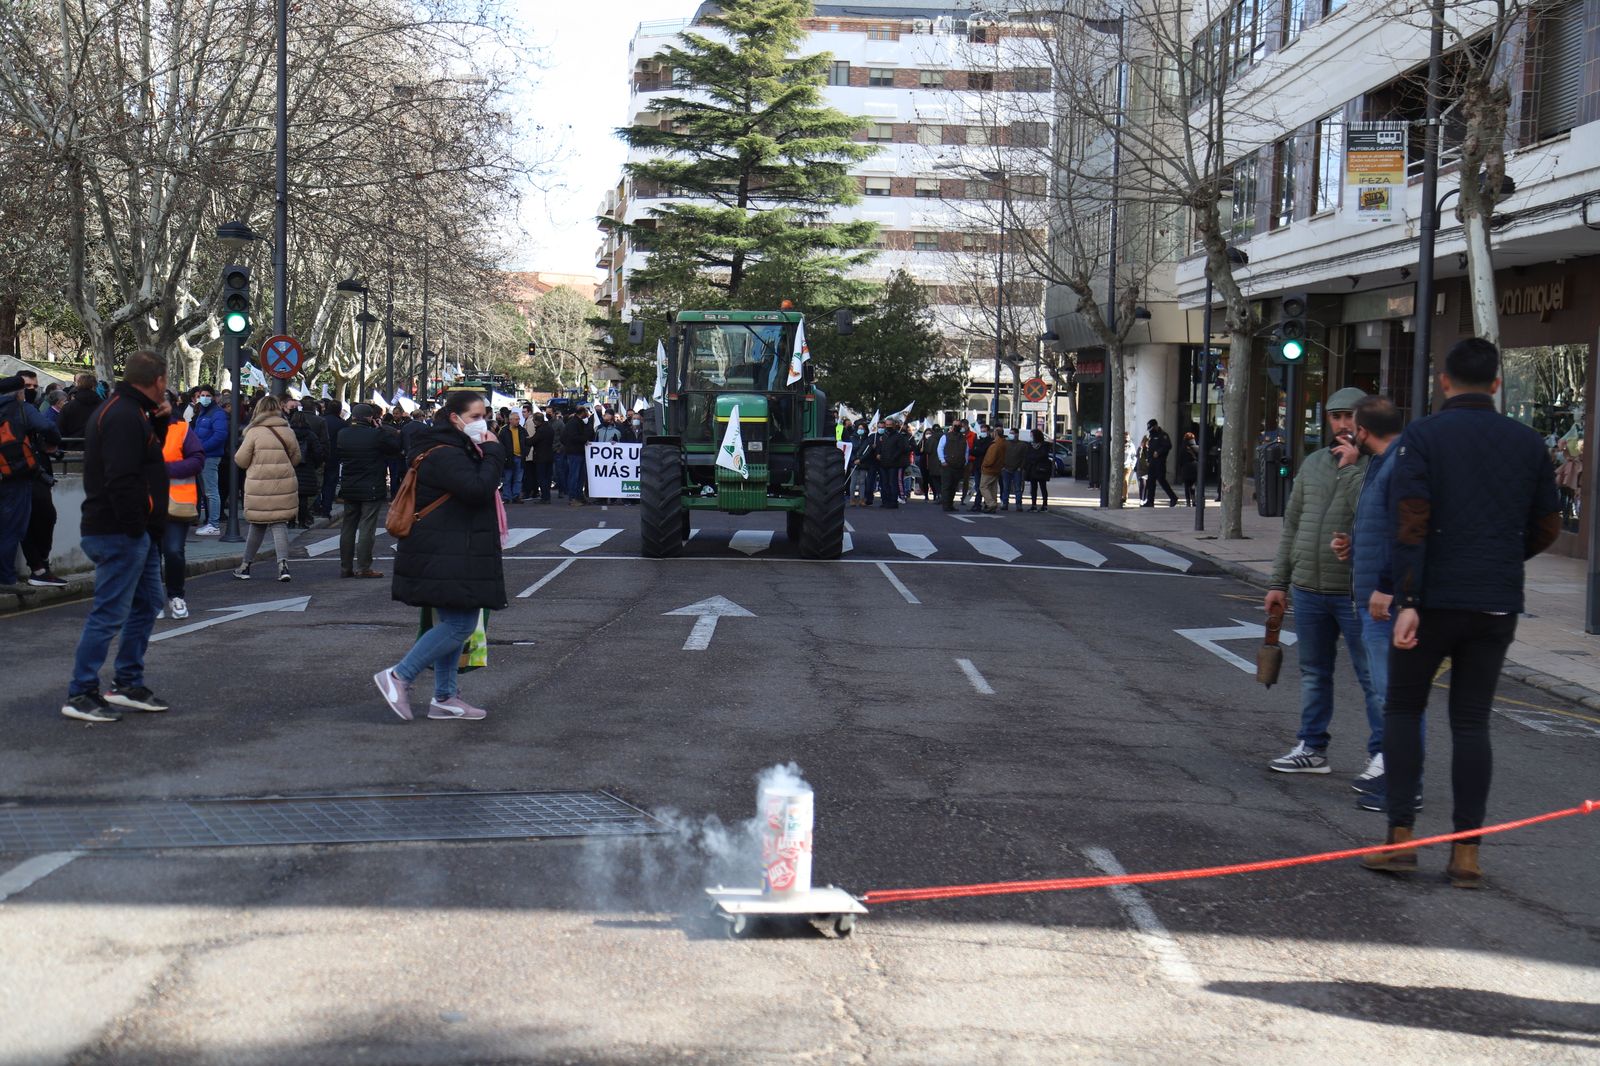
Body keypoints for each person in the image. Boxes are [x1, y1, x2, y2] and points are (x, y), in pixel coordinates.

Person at [1362, 340, 1561, 889]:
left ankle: (1401, 841)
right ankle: (1466, 855)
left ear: (1444, 383)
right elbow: (1547, 525)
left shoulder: (1423, 436)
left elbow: (1410, 522)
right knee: (1472, 722)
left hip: (1431, 602)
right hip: (1495, 602)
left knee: (1404, 710)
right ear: (1497, 385)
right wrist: (1499, 557)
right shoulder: (1528, 441)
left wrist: (1405, 600)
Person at [1265, 387, 1381, 775]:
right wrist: (1279, 582)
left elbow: (1372, 512)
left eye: (1351, 416)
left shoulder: (1378, 464)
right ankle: (1312, 747)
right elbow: (1292, 524)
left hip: (1354, 592)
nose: (1344, 424)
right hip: (1309, 588)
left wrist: (1351, 465)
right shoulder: (1313, 463)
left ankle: (1382, 754)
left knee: (1372, 677)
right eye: (1336, 417)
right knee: (1314, 672)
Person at [373, 390, 507, 722]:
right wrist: (493, 452)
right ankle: (399, 676)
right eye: (475, 417)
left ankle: (445, 697)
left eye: (484, 416)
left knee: (454, 621)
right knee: (460, 624)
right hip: (447, 551)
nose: (483, 423)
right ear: (454, 418)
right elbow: (478, 489)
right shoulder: (445, 454)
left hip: (452, 548)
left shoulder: (454, 449)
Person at [61, 351, 172, 722]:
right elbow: (122, 477)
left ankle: (127, 682)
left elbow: (145, 461)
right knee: (109, 613)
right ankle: (81, 692)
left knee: (146, 603)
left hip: (128, 531)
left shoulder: (132, 412)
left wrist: (161, 426)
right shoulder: (123, 415)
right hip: (118, 532)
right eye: (166, 380)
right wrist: (136, 528)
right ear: (157, 380)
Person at [1331, 395, 1410, 812]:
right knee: (1387, 692)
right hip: (1373, 592)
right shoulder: (1382, 463)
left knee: (1394, 694)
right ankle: (1390, 771)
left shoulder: (1399, 464)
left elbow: (1407, 532)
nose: (1347, 430)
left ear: (1363, 431)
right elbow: (1381, 526)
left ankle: (1400, 783)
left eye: (1352, 424)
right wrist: (1354, 546)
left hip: (1386, 600)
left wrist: (1389, 587)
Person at [232, 394, 301, 582]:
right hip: (283, 482)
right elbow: (296, 458)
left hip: (259, 483)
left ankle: (245, 566)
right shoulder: (287, 431)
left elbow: (241, 459)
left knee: (257, 524)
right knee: (279, 524)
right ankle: (283, 566)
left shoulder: (253, 432)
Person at [2, 372, 62, 587]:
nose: (32, 390)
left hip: (8, 473)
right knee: (16, 526)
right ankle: (11, 577)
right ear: (19, 392)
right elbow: (48, 428)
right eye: (28, 388)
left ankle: (36, 568)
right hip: (20, 475)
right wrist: (52, 444)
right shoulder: (22, 408)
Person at [334, 403, 400, 579]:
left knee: (348, 526)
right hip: (371, 484)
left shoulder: (343, 434)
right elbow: (395, 446)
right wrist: (381, 429)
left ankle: (345, 566)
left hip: (349, 484)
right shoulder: (376, 434)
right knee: (367, 527)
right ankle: (363, 567)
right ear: (370, 418)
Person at [156, 388, 204, 620]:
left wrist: (166, 470)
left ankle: (176, 596)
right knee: (148, 555)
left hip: (176, 503)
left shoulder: (182, 429)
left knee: (173, 552)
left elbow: (197, 460)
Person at [191, 384, 228, 535]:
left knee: (211, 491)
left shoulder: (216, 413)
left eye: (207, 395)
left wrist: (201, 448)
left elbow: (220, 435)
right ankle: (212, 523)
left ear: (212, 397)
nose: (204, 398)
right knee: (208, 491)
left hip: (210, 456)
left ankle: (213, 524)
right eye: (201, 395)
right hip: (203, 455)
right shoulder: (204, 412)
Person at [287, 403, 324, 529]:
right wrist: (314, 464)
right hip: (307, 467)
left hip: (291, 467)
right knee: (303, 497)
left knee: (291, 496)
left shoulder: (288, 433)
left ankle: (291, 521)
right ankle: (302, 521)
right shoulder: (310, 435)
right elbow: (318, 452)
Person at [317, 398, 347, 517]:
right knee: (330, 483)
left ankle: (317, 506)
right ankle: (326, 508)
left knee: (318, 482)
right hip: (334, 456)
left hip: (320, 455)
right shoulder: (342, 424)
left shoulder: (320, 420)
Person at [559, 407, 593, 505]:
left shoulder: (576, 422)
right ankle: (573, 497)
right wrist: (583, 440)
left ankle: (579, 496)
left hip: (578, 452)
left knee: (580, 476)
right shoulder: (574, 423)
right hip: (575, 453)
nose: (587, 414)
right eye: (586, 412)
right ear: (582, 413)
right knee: (574, 475)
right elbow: (571, 437)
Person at [55, 373, 102, 441]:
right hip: (96, 446)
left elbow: (60, 429)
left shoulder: (68, 407)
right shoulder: (103, 406)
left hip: (72, 446)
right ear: (94, 387)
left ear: (78, 386)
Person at [1142, 419, 1178, 507]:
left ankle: (1173, 497)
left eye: (1152, 428)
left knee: (1161, 480)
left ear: (1156, 426)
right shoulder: (1151, 435)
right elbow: (1149, 449)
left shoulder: (1163, 435)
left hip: (1159, 462)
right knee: (1151, 482)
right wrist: (1148, 460)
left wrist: (1159, 452)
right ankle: (1150, 501)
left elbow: (1168, 446)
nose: (1151, 430)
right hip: (1152, 462)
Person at [877, 418, 909, 509]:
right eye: (887, 425)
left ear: (894, 425)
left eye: (890, 425)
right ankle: (885, 501)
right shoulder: (883, 436)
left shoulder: (898, 437)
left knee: (892, 483)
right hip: (883, 463)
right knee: (884, 483)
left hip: (894, 464)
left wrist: (893, 458)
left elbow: (901, 449)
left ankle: (893, 502)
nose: (888, 427)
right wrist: (878, 454)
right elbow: (880, 447)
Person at [938, 421, 968, 512]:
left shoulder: (963, 438)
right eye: (956, 425)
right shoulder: (945, 436)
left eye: (959, 426)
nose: (957, 427)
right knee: (947, 486)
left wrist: (965, 462)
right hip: (947, 465)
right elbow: (940, 448)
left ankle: (950, 505)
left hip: (958, 466)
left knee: (954, 487)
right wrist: (942, 460)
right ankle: (946, 505)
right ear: (952, 426)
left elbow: (966, 451)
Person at [498, 410, 526, 503]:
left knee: (518, 479)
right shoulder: (504, 431)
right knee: (507, 478)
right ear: (510, 420)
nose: (518, 421)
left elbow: (528, 442)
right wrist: (504, 456)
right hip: (509, 457)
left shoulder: (522, 430)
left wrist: (525, 452)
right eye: (516, 419)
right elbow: (500, 444)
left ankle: (516, 496)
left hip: (520, 457)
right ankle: (506, 497)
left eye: (518, 419)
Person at [527, 412, 555, 503]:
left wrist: (526, 439)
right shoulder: (550, 428)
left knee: (542, 478)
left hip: (541, 456)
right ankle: (547, 496)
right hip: (549, 455)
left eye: (534, 421)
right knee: (547, 477)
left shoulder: (541, 430)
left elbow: (533, 441)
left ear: (537, 421)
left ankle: (545, 497)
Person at [979, 423, 1006, 513]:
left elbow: (990, 459)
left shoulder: (995, 445)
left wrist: (984, 465)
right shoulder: (1003, 443)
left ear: (996, 433)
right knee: (992, 488)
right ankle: (993, 504)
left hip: (989, 469)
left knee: (983, 486)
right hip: (997, 469)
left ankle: (991, 504)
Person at [1025, 428, 1052, 511]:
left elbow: (1042, 455)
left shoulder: (1044, 445)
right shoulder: (1030, 445)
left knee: (1043, 487)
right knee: (1033, 488)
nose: (1030, 437)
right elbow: (1028, 455)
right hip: (1032, 469)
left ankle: (1045, 504)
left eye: (1031, 435)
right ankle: (1034, 504)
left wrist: (1033, 458)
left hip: (1041, 469)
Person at [968, 425, 994, 513]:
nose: (982, 433)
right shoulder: (978, 440)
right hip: (977, 466)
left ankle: (982, 504)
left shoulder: (990, 442)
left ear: (988, 432)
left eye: (984, 431)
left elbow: (981, 451)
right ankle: (978, 504)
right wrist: (976, 451)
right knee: (978, 486)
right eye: (982, 431)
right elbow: (973, 451)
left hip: (985, 466)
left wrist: (976, 450)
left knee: (982, 486)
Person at [1001, 427, 1027, 511]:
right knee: (1006, 488)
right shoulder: (1005, 443)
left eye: (1012, 433)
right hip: (1006, 468)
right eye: (1010, 433)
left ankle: (1018, 505)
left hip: (1017, 470)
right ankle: (1005, 504)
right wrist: (1003, 466)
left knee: (1017, 488)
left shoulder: (1022, 445)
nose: (1011, 435)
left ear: (1017, 434)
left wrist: (1020, 467)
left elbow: (1024, 457)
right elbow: (1001, 454)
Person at [1178, 431, 1199, 507]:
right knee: (1193, 485)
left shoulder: (1182, 448)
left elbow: (1180, 460)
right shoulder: (1197, 447)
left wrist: (1180, 469)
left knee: (1186, 486)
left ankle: (1188, 502)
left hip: (1185, 469)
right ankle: (1194, 501)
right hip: (1195, 468)